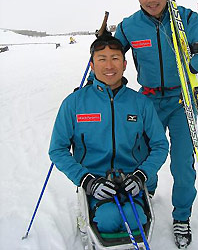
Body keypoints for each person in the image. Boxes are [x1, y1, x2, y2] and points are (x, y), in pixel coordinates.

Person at [114, 0, 198, 248]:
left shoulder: (186, 18)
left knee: (182, 164)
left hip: (181, 99)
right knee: (144, 155)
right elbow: (112, 57)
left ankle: (182, 215)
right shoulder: (129, 26)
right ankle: (148, 190)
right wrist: (102, 50)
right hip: (148, 101)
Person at [49, 35, 169, 234]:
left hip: (131, 181)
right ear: (92, 65)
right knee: (108, 220)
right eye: (102, 59)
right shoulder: (74, 103)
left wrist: (141, 175)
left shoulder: (140, 103)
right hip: (94, 182)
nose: (109, 65)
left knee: (136, 220)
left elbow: (160, 145)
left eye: (114, 58)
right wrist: (86, 180)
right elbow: (57, 149)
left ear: (124, 64)